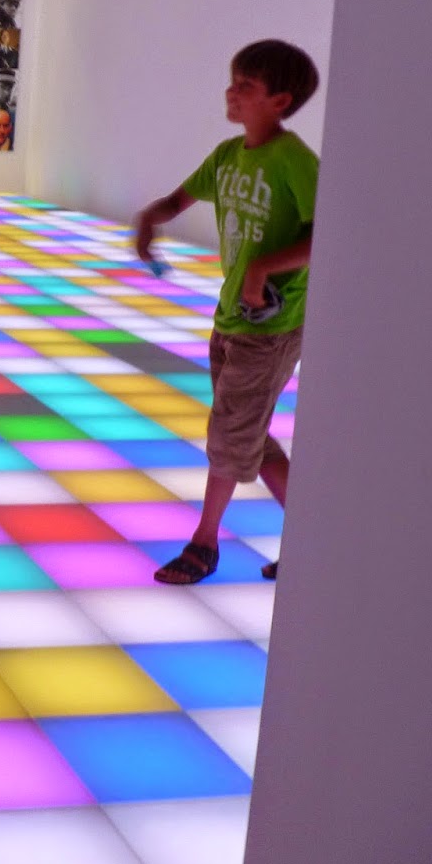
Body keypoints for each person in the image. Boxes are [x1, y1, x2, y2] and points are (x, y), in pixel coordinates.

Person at [137, 40, 320, 585]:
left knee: (229, 438)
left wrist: (262, 269)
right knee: (250, 437)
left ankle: (204, 542)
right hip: (232, 320)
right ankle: (315, 542)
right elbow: (178, 200)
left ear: (280, 101)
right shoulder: (227, 155)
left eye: (246, 86)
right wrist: (150, 220)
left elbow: (324, 233)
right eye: (233, 81)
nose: (231, 92)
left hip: (270, 327)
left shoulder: (295, 162)